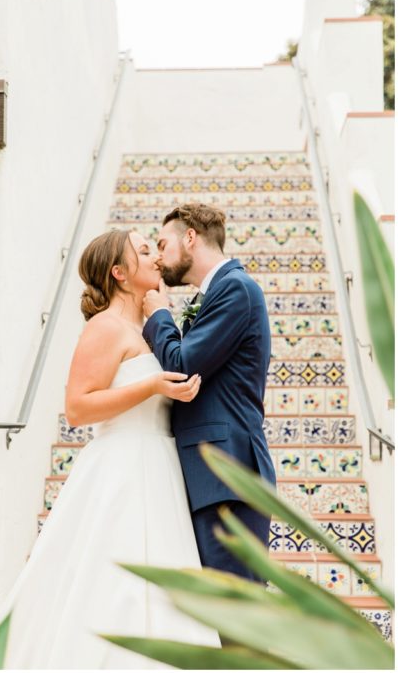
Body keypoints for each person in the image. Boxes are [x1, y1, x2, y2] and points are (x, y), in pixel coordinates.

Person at [1, 229, 219, 669]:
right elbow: (78, 409)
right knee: (109, 584)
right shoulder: (105, 327)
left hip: (160, 470)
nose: (156, 259)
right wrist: (151, 385)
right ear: (119, 274)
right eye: (143, 251)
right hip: (120, 468)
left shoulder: (147, 329)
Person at [143, 203, 276, 580]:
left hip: (227, 477)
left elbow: (182, 367)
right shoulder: (214, 293)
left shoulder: (236, 288)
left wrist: (159, 316)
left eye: (162, 243)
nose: (159, 257)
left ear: (190, 237)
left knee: (237, 619)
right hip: (212, 478)